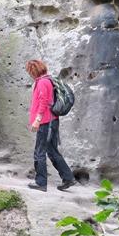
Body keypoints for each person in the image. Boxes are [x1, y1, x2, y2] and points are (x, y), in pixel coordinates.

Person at [26, 59, 75, 193]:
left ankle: (41, 183)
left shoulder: (42, 82)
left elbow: (44, 102)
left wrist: (37, 120)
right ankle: (68, 177)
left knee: (39, 152)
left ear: (33, 71)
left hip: (46, 122)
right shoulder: (48, 80)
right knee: (52, 151)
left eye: (30, 71)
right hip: (51, 121)